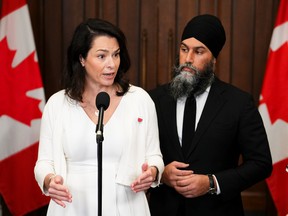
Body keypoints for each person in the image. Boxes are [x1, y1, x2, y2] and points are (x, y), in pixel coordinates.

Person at [34, 18, 164, 216]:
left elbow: (155, 156)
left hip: (127, 206)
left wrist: (152, 172)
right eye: (102, 56)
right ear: (82, 59)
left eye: (116, 55)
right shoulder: (57, 104)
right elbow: (43, 163)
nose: (112, 64)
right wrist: (49, 180)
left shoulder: (140, 100)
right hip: (72, 207)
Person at [148, 14, 272, 216]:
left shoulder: (238, 103)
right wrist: (160, 174)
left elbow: (261, 164)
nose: (188, 59)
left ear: (214, 58)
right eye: (184, 49)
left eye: (198, 51)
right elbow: (137, 155)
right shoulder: (154, 99)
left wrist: (212, 183)